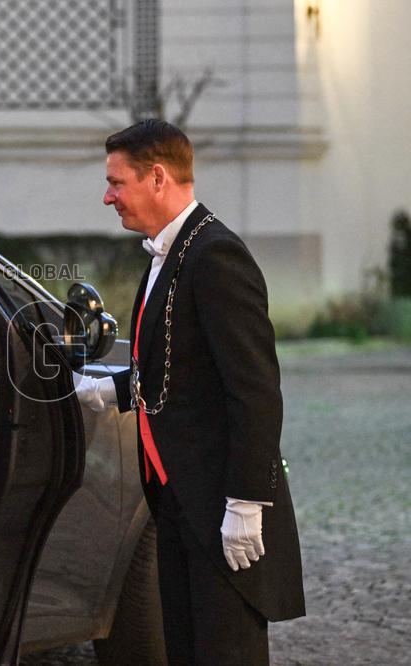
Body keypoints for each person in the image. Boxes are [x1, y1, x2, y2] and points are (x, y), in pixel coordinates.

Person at [75, 119, 304, 664]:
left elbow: (254, 390)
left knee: (224, 652)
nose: (107, 197)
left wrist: (248, 501)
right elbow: (181, 367)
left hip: (220, 502)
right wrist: (110, 389)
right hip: (174, 495)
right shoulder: (166, 252)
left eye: (117, 182)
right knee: (185, 649)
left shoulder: (216, 255)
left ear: (157, 178)